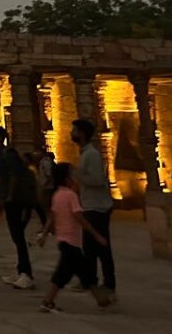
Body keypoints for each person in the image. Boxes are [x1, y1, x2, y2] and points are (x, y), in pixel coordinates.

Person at [36, 163, 111, 313]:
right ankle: (47, 301)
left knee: (84, 273)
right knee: (64, 273)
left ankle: (101, 300)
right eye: (72, 174)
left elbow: (52, 217)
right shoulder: (71, 196)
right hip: (71, 242)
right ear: (67, 178)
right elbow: (79, 218)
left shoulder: (57, 195)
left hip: (64, 241)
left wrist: (44, 235)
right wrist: (96, 235)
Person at [71, 119, 115, 301]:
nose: (71, 133)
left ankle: (109, 283)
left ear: (81, 133)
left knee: (102, 247)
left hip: (97, 207)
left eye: (74, 130)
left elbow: (98, 180)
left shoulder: (92, 155)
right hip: (89, 205)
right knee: (89, 247)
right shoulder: (85, 154)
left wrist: (78, 176)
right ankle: (90, 280)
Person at [0, 125, 37, 290]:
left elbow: (15, 176)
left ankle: (26, 274)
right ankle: (21, 271)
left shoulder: (7, 154)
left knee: (18, 237)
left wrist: (8, 198)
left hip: (16, 201)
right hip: (10, 200)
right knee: (17, 237)